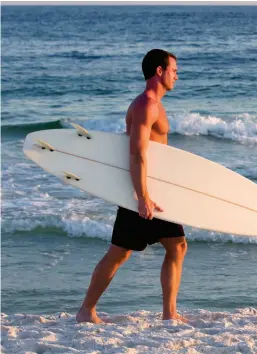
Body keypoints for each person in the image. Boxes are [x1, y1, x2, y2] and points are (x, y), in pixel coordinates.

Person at [76, 49, 187, 324]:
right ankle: (87, 311)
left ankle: (168, 314)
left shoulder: (154, 104)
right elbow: (137, 153)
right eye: (173, 69)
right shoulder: (146, 105)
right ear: (159, 71)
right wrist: (142, 196)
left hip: (150, 189)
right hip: (142, 191)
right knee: (122, 252)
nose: (177, 74)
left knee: (173, 246)